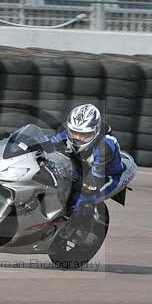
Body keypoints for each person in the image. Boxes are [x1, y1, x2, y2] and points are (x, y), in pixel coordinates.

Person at [47, 103, 125, 242]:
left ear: (95, 131)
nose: (77, 138)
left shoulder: (104, 147)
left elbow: (95, 179)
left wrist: (83, 187)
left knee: (85, 199)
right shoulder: (68, 134)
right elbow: (47, 144)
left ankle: (82, 231)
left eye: (84, 134)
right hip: (82, 166)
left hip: (106, 175)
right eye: (74, 132)